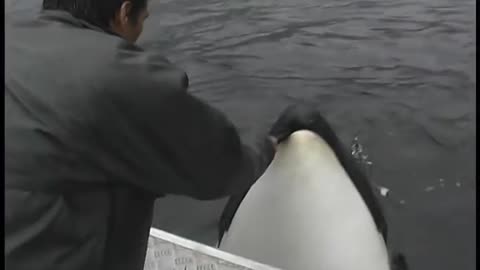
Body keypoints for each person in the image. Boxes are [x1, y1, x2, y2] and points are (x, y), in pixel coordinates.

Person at [5, 1, 326, 269]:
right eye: (142, 20)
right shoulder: (119, 75)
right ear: (124, 11)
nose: (140, 34)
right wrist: (266, 144)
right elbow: (218, 168)